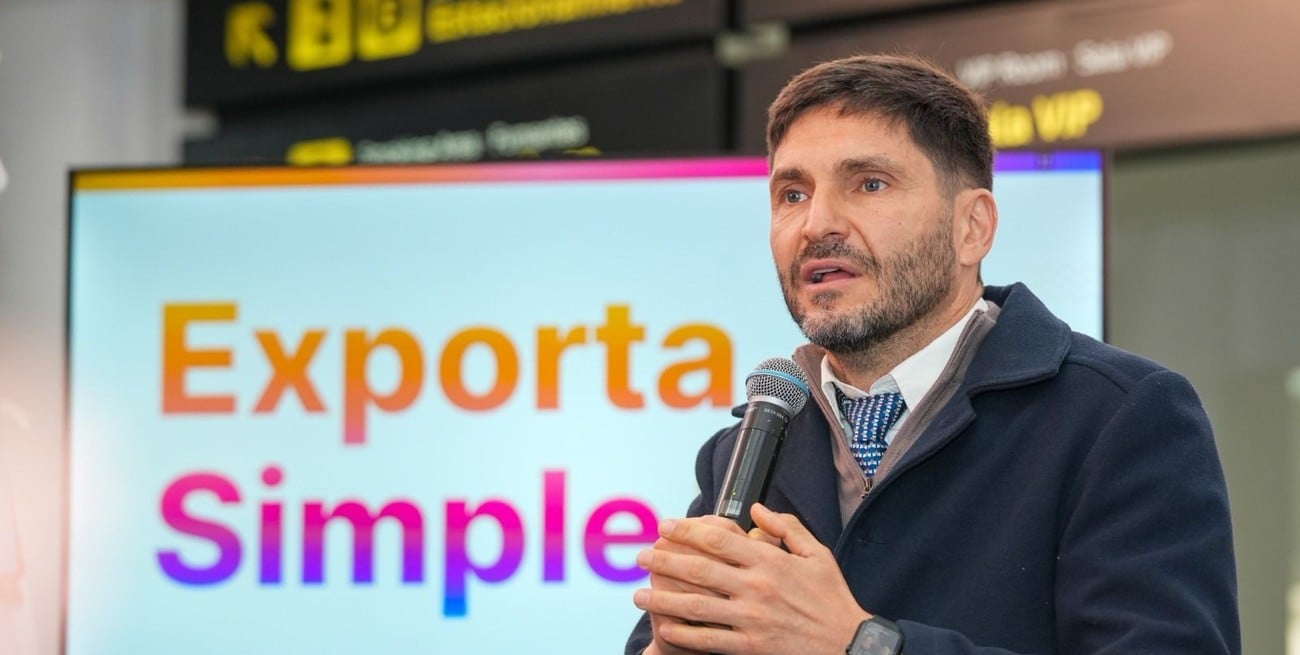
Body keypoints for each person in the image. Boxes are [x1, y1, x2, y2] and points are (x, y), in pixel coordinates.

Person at [625, 53, 1239, 655]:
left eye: (869, 183)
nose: (816, 224)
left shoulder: (1121, 417)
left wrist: (860, 644)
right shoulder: (746, 450)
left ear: (972, 227)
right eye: (792, 194)